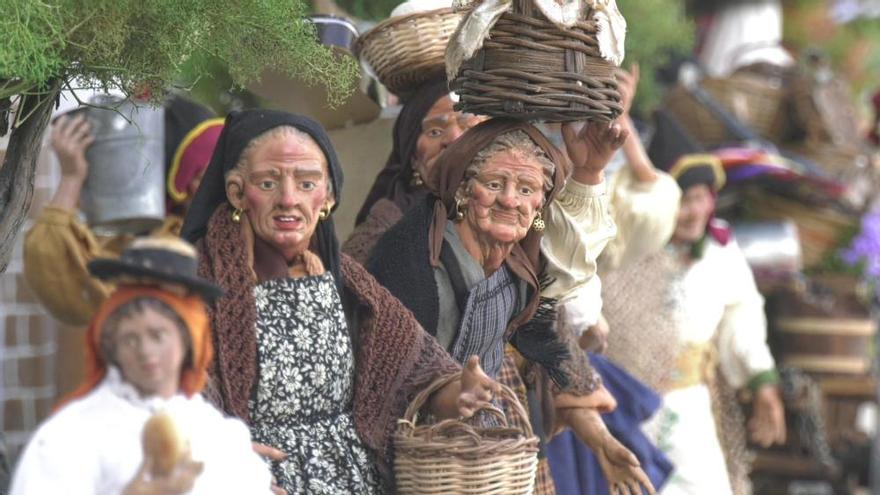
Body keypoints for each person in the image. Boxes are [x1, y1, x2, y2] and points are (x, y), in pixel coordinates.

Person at [179, 109, 500, 493]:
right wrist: (221, 459)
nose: (288, 199)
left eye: (306, 183)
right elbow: (171, 396)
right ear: (236, 192)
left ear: (328, 196)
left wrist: (456, 391)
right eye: (267, 183)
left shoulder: (347, 280)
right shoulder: (197, 284)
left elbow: (417, 372)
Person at [367, 117, 654, 494]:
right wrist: (448, 393)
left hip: (496, 463)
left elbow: (549, 349)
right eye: (494, 184)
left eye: (526, 188)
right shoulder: (413, 259)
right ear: (463, 190)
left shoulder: (519, 267)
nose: (509, 200)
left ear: (540, 204)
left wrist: (602, 441)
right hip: (423, 465)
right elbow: (384, 372)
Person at [10, 236, 274, 494]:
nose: (146, 351)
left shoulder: (218, 436)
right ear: (110, 347)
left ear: (189, 340)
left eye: (158, 335)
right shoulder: (70, 436)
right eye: (130, 339)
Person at [603, 154, 786, 494]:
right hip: (625, 404)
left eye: (700, 199)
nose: (694, 212)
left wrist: (762, 382)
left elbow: (742, 315)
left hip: (690, 404)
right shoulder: (627, 252)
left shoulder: (720, 253)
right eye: (683, 201)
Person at [23, 95, 224, 327]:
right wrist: (71, 179)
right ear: (183, 186)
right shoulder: (156, 251)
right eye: (205, 176)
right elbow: (64, 278)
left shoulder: (244, 227)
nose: (223, 187)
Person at [344, 77, 484, 263]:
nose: (454, 139)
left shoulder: (520, 206)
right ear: (413, 159)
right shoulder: (384, 229)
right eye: (434, 131)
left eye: (468, 126)